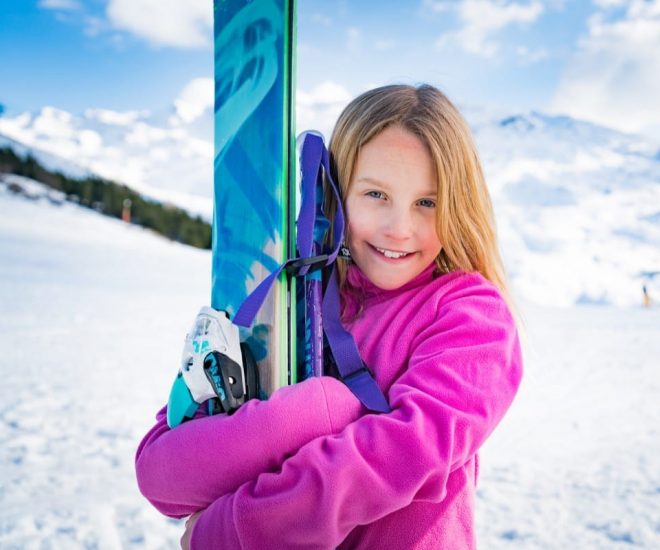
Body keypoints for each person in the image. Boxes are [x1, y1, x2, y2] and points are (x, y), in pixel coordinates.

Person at [135, 83, 524, 549]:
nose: (399, 228)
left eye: (427, 202)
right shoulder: (294, 302)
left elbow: (408, 450)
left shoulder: (471, 316)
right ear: (334, 195)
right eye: (376, 194)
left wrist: (238, 528)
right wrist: (308, 412)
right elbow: (160, 474)